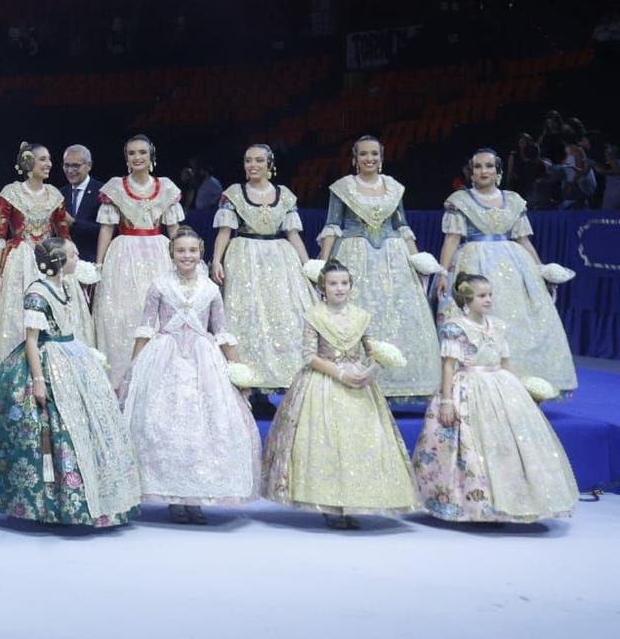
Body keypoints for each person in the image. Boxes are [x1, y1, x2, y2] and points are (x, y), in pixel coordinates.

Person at [0, 237, 142, 529]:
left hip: (73, 355)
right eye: (73, 255)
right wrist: (38, 379)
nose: (77, 259)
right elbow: (32, 341)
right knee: (53, 431)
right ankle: (53, 504)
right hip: (49, 359)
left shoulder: (67, 286)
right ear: (59, 261)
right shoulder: (37, 293)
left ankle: (98, 499)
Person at [259, 260, 417, 528]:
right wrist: (340, 374)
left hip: (358, 383)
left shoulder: (360, 316)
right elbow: (309, 355)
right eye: (333, 283)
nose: (339, 288)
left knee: (361, 441)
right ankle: (329, 506)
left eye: (344, 283)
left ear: (351, 286)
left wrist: (373, 369)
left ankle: (352, 503)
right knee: (327, 442)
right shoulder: (315, 316)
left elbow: (371, 348)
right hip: (324, 382)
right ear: (323, 287)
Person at [411, 272, 578, 524]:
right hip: (469, 386)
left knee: (506, 445)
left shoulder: (498, 326)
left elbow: (505, 362)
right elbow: (448, 366)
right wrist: (447, 401)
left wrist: (522, 395)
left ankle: (510, 501)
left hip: (500, 386)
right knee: (470, 445)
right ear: (467, 298)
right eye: (482, 296)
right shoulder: (455, 327)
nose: (488, 300)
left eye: (490, 295)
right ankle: (472, 504)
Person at [123, 226, 259, 524]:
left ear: (201, 254)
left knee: (203, 428)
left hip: (203, 360)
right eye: (181, 251)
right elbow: (146, 328)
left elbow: (221, 331)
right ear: (172, 254)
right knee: (164, 425)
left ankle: (195, 496)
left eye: (193, 251)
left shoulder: (210, 289)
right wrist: (133, 369)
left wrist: (237, 371)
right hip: (164, 358)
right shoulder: (159, 285)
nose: (187, 256)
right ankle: (172, 496)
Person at [435, 148, 578, 397]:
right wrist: (443, 273)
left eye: (489, 166)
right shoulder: (460, 201)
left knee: (521, 322)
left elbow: (523, 240)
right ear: (471, 172)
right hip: (474, 263)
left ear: (498, 171)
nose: (483, 171)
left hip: (515, 267)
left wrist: (540, 269)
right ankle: (480, 385)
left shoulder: (513, 200)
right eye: (478, 166)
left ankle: (525, 384)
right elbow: (451, 239)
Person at [316, 135, 440, 402]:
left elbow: (402, 226)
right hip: (354, 253)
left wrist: (417, 260)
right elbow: (332, 226)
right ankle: (355, 380)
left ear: (381, 159)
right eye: (363, 154)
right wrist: (323, 264)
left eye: (374, 154)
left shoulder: (394, 188)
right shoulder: (343, 188)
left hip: (393, 257)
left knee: (400, 314)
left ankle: (401, 385)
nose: (369, 159)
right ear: (354, 158)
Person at [210, 143, 310, 412]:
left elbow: (293, 234)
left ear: (270, 164)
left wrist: (308, 266)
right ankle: (250, 388)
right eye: (248, 161)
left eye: (258, 161)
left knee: (284, 319)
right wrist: (217, 260)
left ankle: (285, 386)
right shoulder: (234, 194)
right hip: (244, 257)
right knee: (247, 320)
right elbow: (224, 232)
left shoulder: (284, 195)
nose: (252, 165)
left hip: (279, 260)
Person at [92, 134, 184, 396]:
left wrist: (184, 261)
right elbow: (106, 230)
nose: (137, 158)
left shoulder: (165, 187)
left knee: (158, 314)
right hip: (124, 254)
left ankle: (160, 381)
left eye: (142, 152)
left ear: (151, 155)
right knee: (121, 315)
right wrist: (99, 265)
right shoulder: (115, 188)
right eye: (132, 153)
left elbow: (175, 229)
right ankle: (120, 380)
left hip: (157, 250)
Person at [0, 142, 72, 369]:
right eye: (43, 159)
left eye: (49, 159)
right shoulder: (11, 193)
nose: (49, 164)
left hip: (49, 259)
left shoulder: (55, 195)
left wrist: (69, 267)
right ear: (28, 162)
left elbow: (64, 234)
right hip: (18, 259)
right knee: (13, 315)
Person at [58, 144, 102, 260]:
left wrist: (73, 223)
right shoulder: (59, 194)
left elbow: (108, 231)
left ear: (89, 166)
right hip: (64, 263)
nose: (70, 170)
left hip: (92, 261)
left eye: (75, 166)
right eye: (66, 165)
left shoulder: (102, 192)